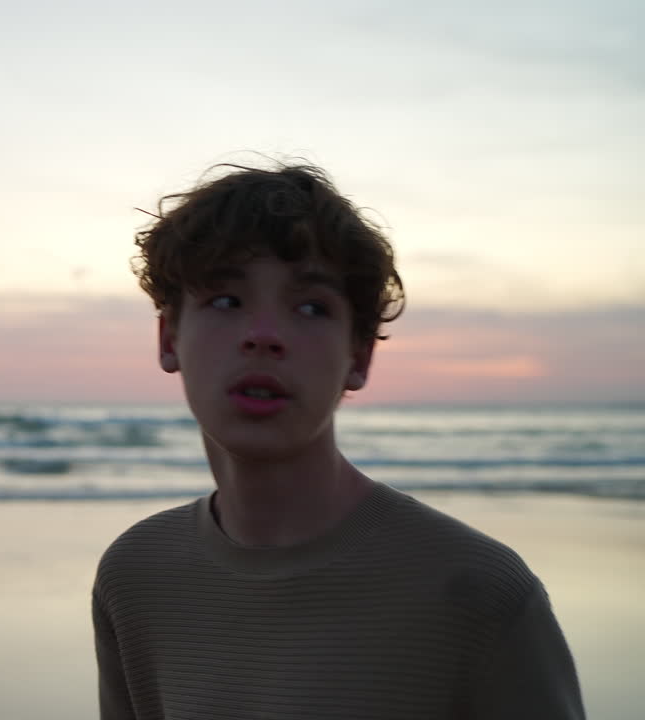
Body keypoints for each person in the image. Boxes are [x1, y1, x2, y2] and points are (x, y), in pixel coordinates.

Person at [92, 162, 584, 719]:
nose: (264, 336)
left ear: (359, 357)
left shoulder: (479, 594)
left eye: (310, 307)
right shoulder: (137, 577)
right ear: (169, 337)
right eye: (226, 300)